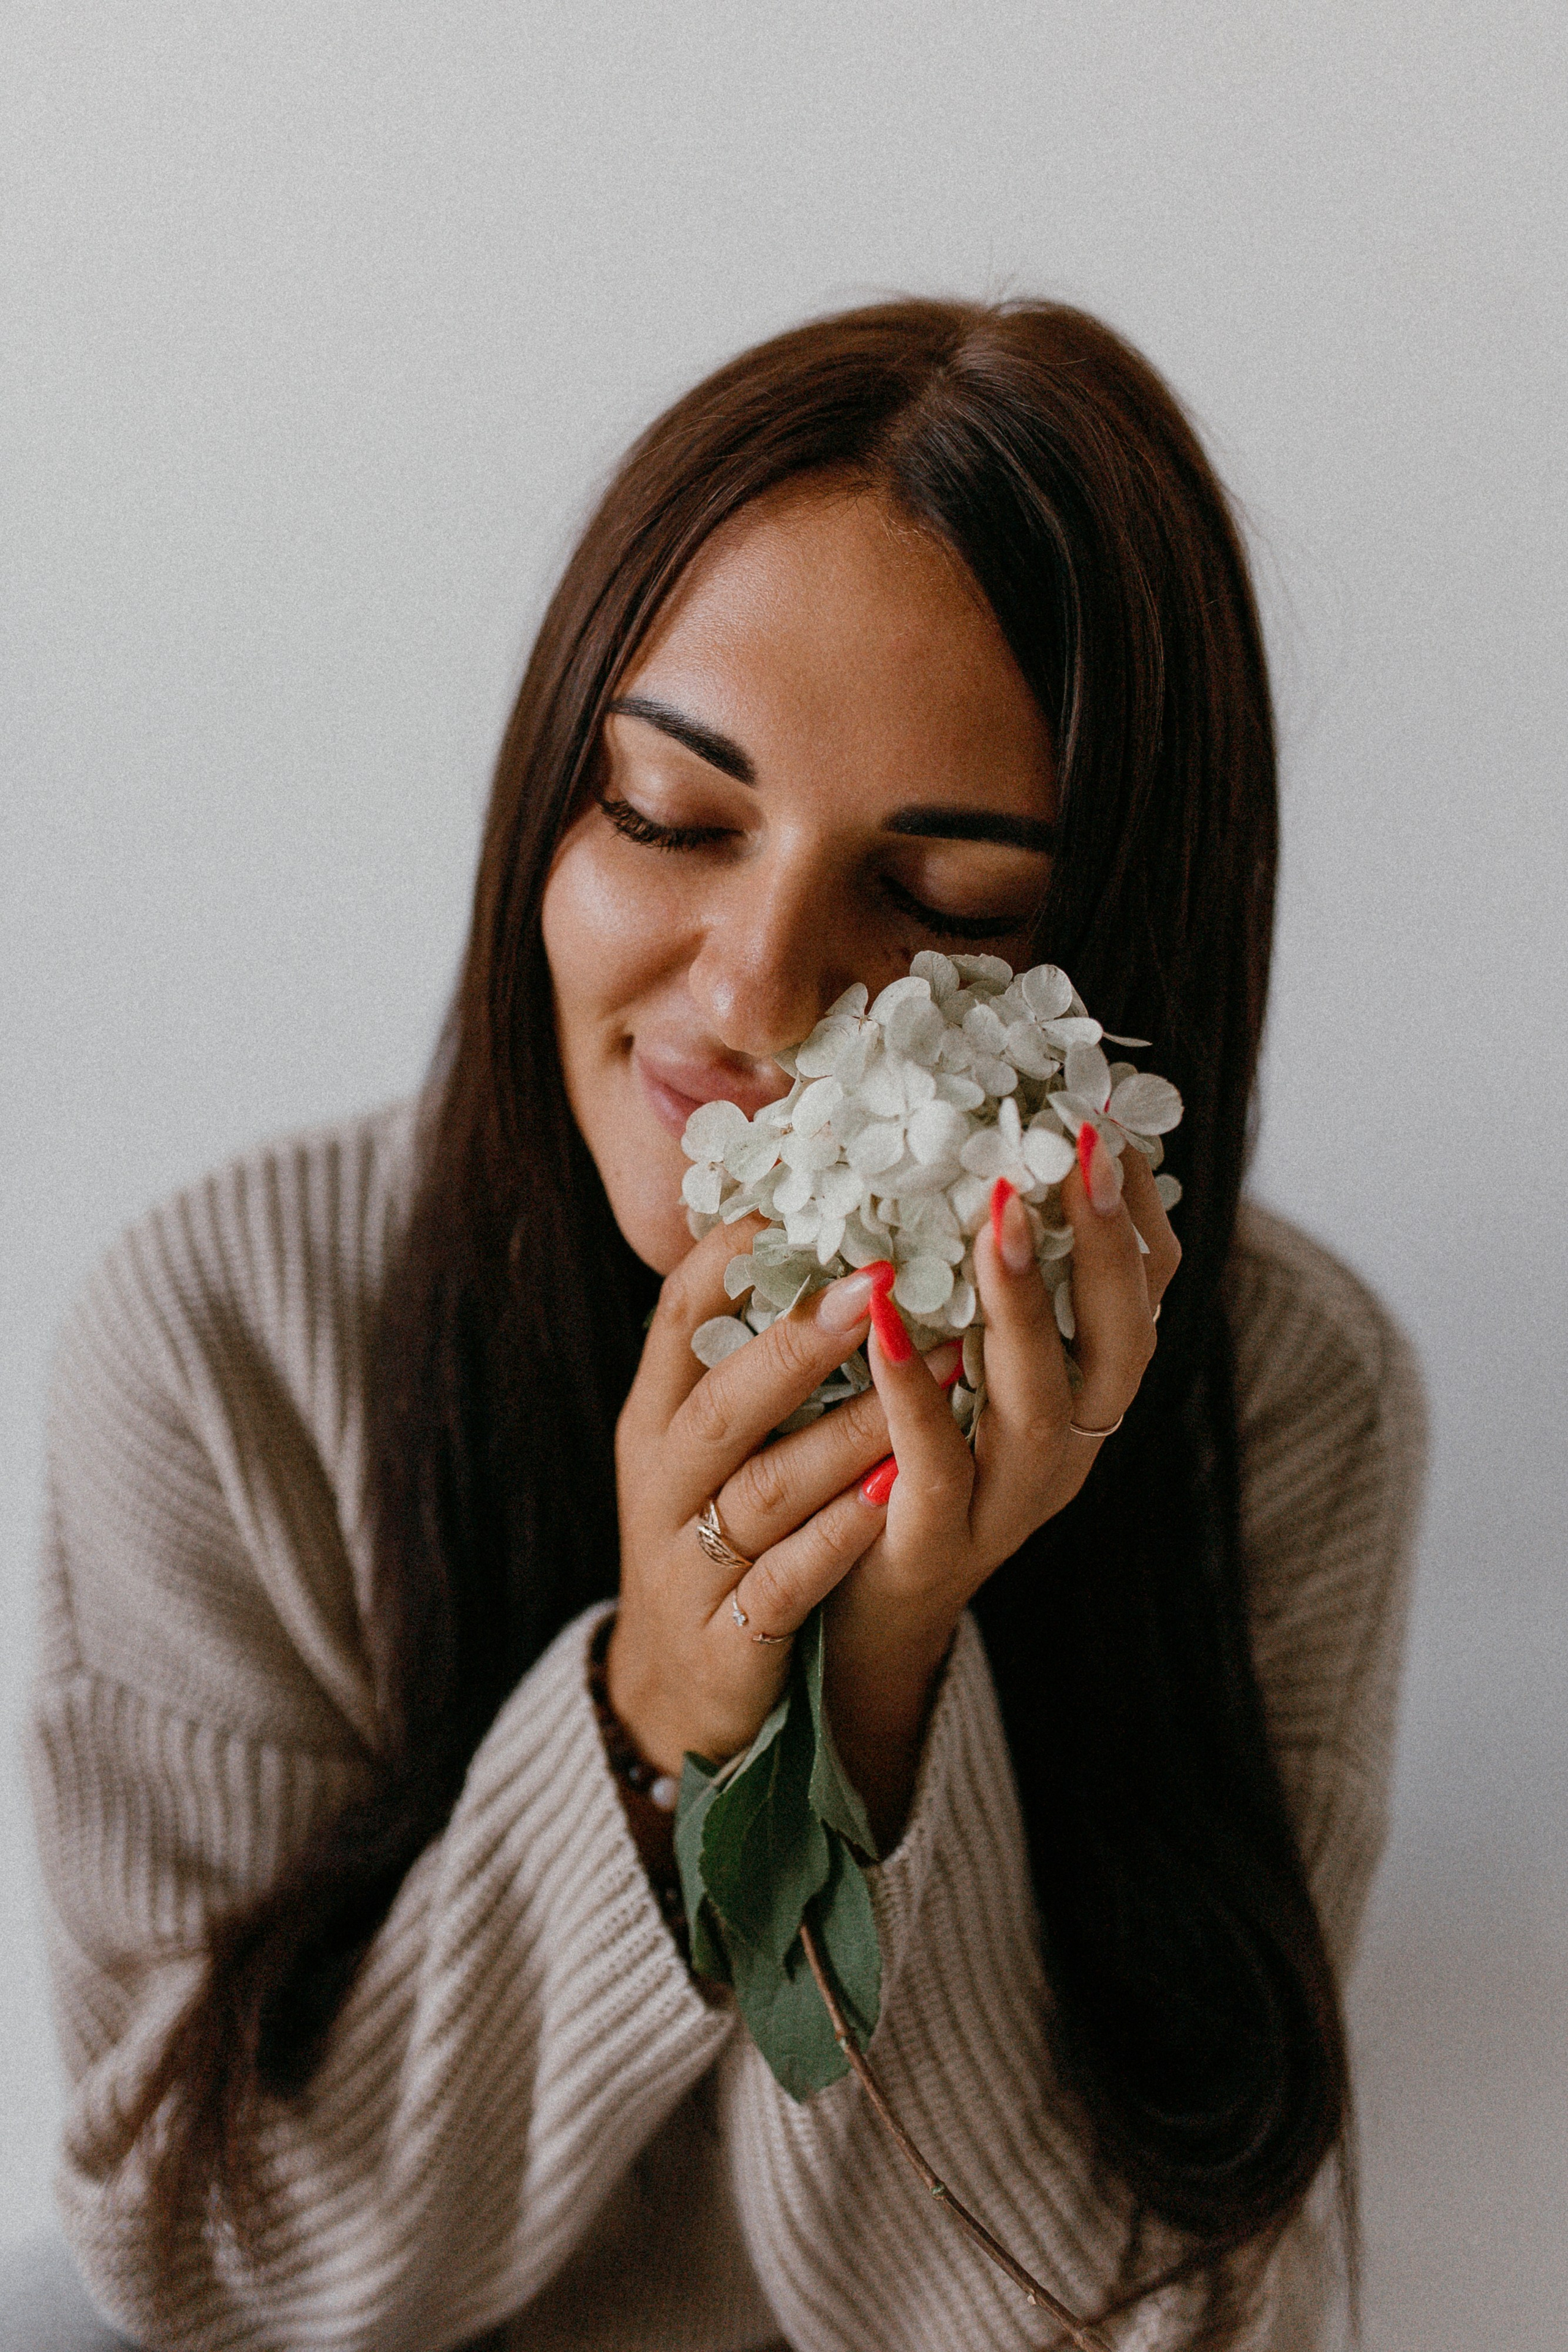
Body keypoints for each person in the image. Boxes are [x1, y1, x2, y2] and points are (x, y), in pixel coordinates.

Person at [28, 299, 1427, 2351]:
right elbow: (209, 2274)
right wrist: (670, 1716)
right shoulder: (229, 1348)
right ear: (543, 816)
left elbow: (1177, 2321)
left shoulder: (1287, 1402)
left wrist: (877, 1669)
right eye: (671, 819)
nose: (760, 987)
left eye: (942, 902)